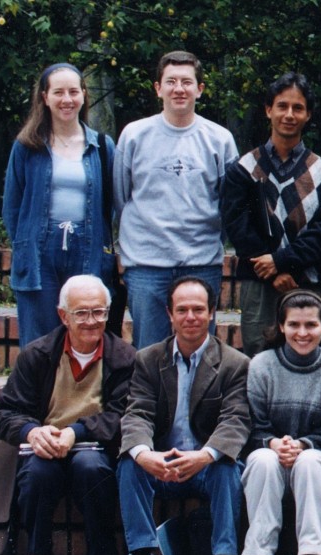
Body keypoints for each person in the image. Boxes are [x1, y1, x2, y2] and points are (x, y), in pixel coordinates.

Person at [112, 277, 250, 555]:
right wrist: (145, 455)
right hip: (163, 463)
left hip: (205, 465)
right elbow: (137, 413)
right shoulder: (147, 359)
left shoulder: (234, 363)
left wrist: (204, 456)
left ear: (212, 312)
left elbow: (236, 419)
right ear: (169, 313)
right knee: (129, 465)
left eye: (199, 309)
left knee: (228, 468)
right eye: (182, 309)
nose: (191, 317)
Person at [0, 275, 134, 555]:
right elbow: (7, 410)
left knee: (91, 469)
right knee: (38, 473)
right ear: (63, 316)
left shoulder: (124, 358)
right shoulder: (38, 354)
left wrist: (77, 432)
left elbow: (124, 414)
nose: (91, 321)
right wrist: (32, 431)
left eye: (99, 312)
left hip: (94, 445)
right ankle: (36, 553)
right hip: (45, 442)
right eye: (81, 313)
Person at [114, 51, 238, 347]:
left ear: (200, 89)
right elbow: (120, 198)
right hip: (147, 264)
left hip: (200, 261)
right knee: (149, 352)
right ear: (158, 88)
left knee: (200, 353)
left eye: (186, 82)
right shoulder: (134, 135)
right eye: (171, 82)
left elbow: (228, 204)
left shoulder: (220, 139)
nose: (179, 89)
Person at [239, 290, 321, 555]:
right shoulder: (261, 365)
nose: (302, 333)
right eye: (294, 325)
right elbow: (250, 427)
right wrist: (273, 443)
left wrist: (302, 445)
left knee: (310, 461)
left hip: (319, 468)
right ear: (282, 326)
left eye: (311, 325)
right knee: (261, 459)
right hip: (272, 461)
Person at [221, 72, 321, 357]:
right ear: (268, 110)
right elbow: (238, 227)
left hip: (307, 280)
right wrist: (271, 271)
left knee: (309, 355)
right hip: (259, 284)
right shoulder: (244, 168)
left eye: (298, 108)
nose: (289, 114)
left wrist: (282, 262)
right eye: (282, 106)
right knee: (258, 355)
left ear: (308, 114)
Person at [3, 63, 117, 348]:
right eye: (58, 92)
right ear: (44, 97)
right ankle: (39, 395)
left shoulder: (102, 146)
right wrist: (26, 245)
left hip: (87, 249)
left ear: (83, 95)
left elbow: (112, 204)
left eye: (73, 91)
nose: (67, 99)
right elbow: (13, 206)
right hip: (40, 252)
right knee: (40, 342)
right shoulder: (27, 146)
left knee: (84, 335)